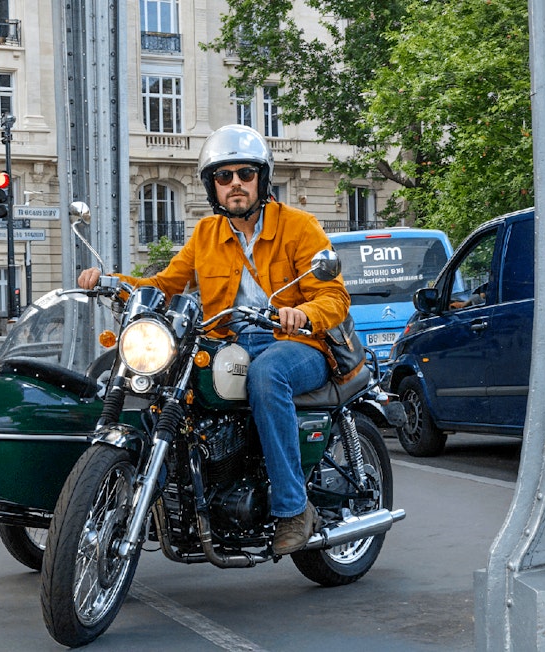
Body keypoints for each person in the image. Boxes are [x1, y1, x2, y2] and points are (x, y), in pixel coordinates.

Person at [78, 124, 351, 555]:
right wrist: (111, 282)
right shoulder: (207, 234)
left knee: (266, 375)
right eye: (224, 177)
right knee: (165, 377)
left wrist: (304, 313)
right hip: (226, 341)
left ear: (261, 179)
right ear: (213, 186)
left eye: (245, 174)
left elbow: (334, 295)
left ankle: (294, 508)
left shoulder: (299, 226)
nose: (235, 184)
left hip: (296, 343)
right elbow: (165, 284)